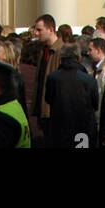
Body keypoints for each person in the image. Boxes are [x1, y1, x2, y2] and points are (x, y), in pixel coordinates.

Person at [44, 43, 98, 148]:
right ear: (79, 58)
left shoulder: (52, 77)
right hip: (83, 130)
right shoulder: (88, 79)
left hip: (58, 129)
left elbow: (48, 99)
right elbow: (95, 104)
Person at [31, 14, 62, 144]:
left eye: (39, 30)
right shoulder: (44, 51)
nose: (36, 33)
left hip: (54, 113)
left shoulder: (61, 51)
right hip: (43, 111)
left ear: (50, 29)